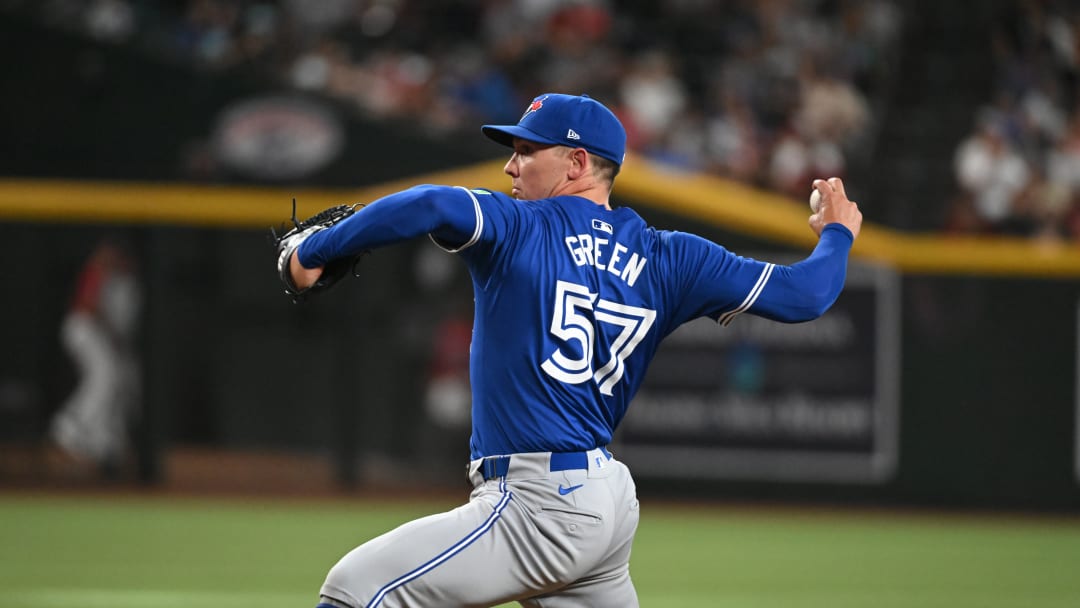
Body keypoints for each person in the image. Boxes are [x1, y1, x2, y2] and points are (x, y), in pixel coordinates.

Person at [282, 93, 862, 608]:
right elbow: (804, 295)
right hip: (605, 499)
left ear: (577, 163)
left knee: (356, 589)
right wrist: (836, 235)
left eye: (528, 151)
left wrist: (316, 250)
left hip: (538, 502)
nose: (511, 165)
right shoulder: (671, 256)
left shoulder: (518, 226)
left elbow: (433, 203)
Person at [49, 237, 142, 475]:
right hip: (83, 328)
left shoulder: (116, 277)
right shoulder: (96, 269)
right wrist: (110, 329)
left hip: (91, 331)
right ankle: (68, 428)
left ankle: (96, 442)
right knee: (105, 377)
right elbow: (90, 305)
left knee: (113, 380)